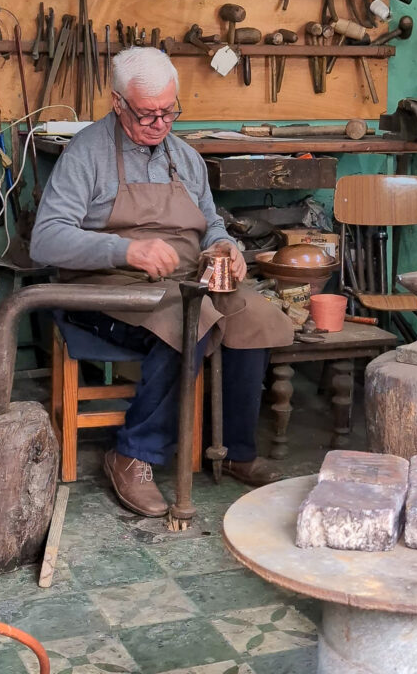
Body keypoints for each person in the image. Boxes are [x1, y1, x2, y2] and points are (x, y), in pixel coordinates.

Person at [30, 47, 294, 517]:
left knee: (254, 315)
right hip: (107, 287)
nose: (160, 123)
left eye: (169, 111)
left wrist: (224, 245)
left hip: (183, 278)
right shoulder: (86, 154)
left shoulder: (186, 158)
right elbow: (45, 240)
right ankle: (133, 454)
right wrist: (125, 249)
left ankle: (234, 449)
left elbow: (210, 222)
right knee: (186, 319)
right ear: (117, 102)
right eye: (147, 113)